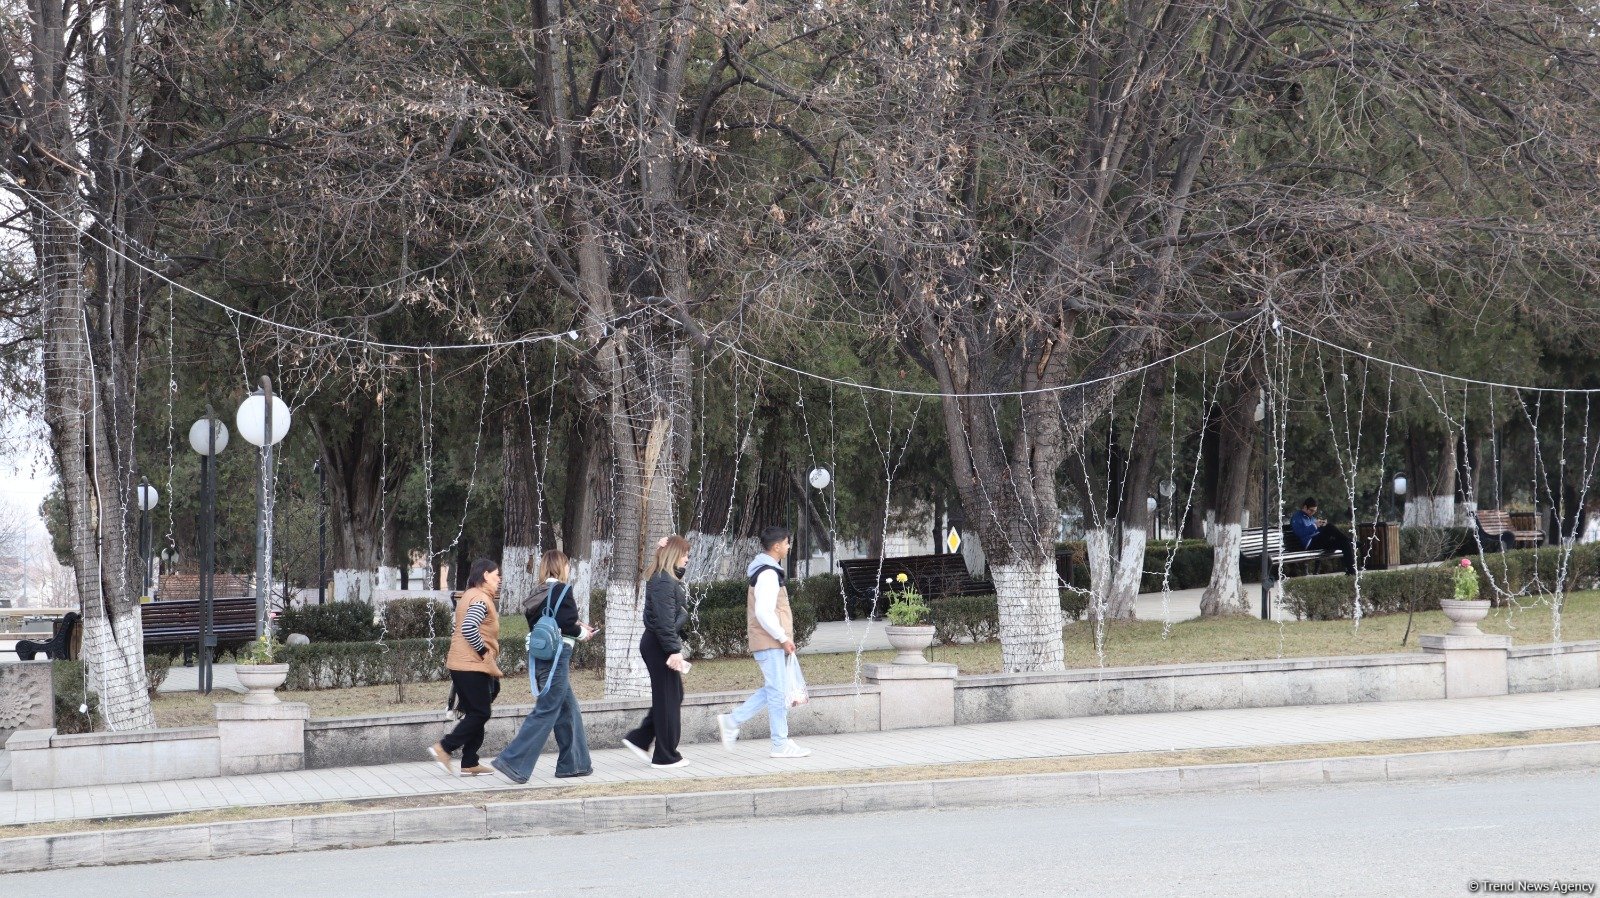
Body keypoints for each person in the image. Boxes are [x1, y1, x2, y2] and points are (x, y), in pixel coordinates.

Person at [490, 550, 597, 784]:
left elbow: (547, 622)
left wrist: (574, 625)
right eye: (567, 565)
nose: (568, 570)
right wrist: (583, 633)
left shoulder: (537, 592)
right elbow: (567, 625)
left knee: (569, 710)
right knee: (547, 710)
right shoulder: (562, 590)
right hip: (558, 657)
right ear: (561, 567)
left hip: (541, 656)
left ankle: (575, 764)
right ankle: (512, 761)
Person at [717, 526, 811, 758]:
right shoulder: (768, 574)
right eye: (787, 543)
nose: (789, 547)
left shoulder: (767, 571)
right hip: (770, 641)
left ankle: (734, 722)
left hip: (771, 641)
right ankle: (778, 743)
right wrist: (783, 638)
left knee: (775, 690)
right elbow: (764, 612)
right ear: (777, 546)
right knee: (777, 692)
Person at [429, 558, 504, 776]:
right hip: (471, 664)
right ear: (485, 575)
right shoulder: (480, 599)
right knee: (480, 712)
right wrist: (483, 652)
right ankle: (444, 747)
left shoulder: (469, 595)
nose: (499, 579)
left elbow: (460, 627)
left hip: (464, 663)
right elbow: (469, 628)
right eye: (496, 574)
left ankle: (470, 761)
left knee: (476, 711)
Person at [622, 534, 692, 769]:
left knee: (672, 696)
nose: (687, 559)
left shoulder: (665, 578)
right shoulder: (663, 581)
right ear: (673, 555)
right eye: (684, 554)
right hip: (659, 645)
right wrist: (674, 651)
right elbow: (663, 621)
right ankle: (664, 756)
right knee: (667, 699)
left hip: (659, 643)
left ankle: (640, 738)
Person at [1291, 497, 1356, 575]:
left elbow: (1317, 530)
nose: (1313, 513)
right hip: (1310, 544)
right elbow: (1300, 533)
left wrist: (1321, 525)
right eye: (1311, 510)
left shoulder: (1311, 518)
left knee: (1343, 543)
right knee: (1329, 527)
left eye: (1314, 511)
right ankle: (1350, 540)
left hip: (1319, 542)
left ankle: (1352, 571)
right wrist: (1315, 526)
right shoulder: (1297, 517)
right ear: (1305, 507)